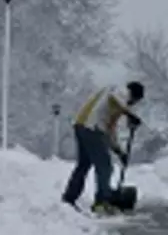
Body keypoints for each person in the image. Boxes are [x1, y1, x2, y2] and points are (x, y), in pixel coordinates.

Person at [61, 81, 144, 214]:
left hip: (81, 125)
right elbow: (114, 97)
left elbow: (109, 132)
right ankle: (101, 202)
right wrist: (129, 114)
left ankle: (69, 198)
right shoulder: (121, 91)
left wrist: (119, 151)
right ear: (134, 95)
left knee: (83, 165)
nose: (132, 104)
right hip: (91, 127)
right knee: (105, 166)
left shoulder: (113, 107)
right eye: (135, 101)